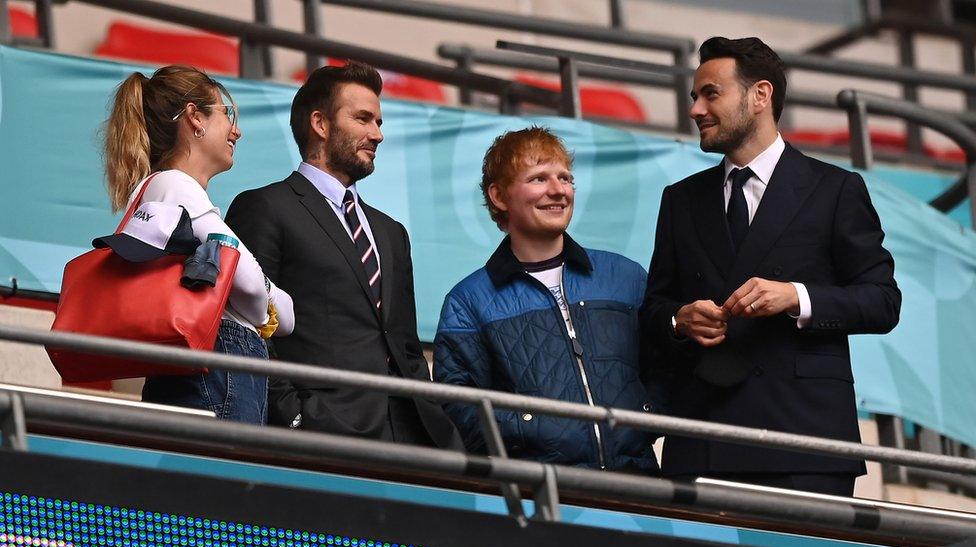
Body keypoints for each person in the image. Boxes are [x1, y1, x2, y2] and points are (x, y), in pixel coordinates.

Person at [640, 37, 901, 496]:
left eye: (710, 94)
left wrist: (795, 296)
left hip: (805, 443)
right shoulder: (679, 200)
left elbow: (883, 301)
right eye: (693, 97)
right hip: (702, 440)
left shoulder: (835, 189)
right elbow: (655, 309)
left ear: (760, 96)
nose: (696, 109)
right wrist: (679, 321)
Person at [225, 62, 461, 449]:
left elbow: (405, 348)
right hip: (320, 440)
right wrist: (297, 418)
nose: (378, 134)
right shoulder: (265, 207)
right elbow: (248, 331)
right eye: (363, 119)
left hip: (410, 442)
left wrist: (436, 427)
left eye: (379, 121)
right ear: (320, 123)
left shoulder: (391, 232)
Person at [434, 127, 659, 472]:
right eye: (539, 179)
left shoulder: (625, 277)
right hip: (539, 496)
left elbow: (666, 368)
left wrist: (644, 415)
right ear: (498, 196)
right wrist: (532, 431)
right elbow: (459, 410)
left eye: (565, 178)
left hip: (638, 487)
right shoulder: (468, 302)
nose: (558, 190)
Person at [103, 65, 295, 424]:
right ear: (195, 118)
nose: (236, 130)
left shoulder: (158, 189)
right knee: (222, 476)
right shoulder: (175, 185)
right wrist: (269, 307)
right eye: (227, 114)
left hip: (204, 371)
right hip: (218, 369)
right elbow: (250, 281)